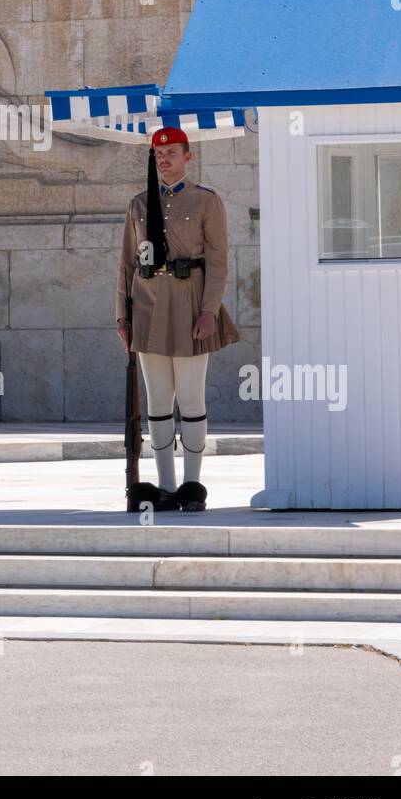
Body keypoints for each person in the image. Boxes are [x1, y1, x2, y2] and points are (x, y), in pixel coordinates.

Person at [115, 126, 239, 512]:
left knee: (190, 397)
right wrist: (122, 315)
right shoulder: (138, 205)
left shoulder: (206, 202)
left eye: (172, 153)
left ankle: (192, 483)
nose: (164, 159)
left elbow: (218, 262)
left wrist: (209, 311)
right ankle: (166, 485)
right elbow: (126, 264)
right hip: (149, 306)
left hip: (189, 305)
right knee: (157, 400)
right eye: (158, 154)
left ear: (188, 157)